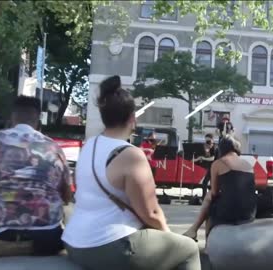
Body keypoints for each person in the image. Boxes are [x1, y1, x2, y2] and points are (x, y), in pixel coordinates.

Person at [62, 75, 200, 270]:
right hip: (109, 246)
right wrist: (168, 238)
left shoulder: (89, 146)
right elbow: (151, 213)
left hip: (75, 241)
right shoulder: (131, 155)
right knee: (188, 249)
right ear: (132, 119)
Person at [0, 96, 72, 259]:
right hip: (44, 240)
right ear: (38, 120)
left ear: (12, 118)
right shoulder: (53, 148)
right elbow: (66, 195)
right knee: (67, 211)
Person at [183, 135, 257, 241]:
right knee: (213, 199)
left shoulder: (219, 163)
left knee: (210, 200)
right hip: (250, 212)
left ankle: (202, 238)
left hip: (230, 212)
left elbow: (214, 192)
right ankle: (193, 230)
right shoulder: (248, 164)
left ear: (222, 148)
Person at [194, 134, 216, 200]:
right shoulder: (207, 147)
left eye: (208, 140)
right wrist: (196, 159)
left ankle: (209, 197)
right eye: (206, 140)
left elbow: (212, 158)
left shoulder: (214, 147)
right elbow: (203, 156)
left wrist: (203, 158)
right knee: (206, 182)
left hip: (214, 167)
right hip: (210, 167)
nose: (207, 142)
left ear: (212, 140)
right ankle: (205, 197)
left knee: (209, 182)